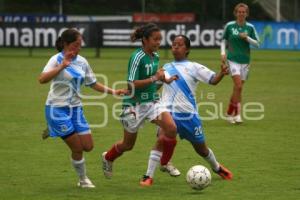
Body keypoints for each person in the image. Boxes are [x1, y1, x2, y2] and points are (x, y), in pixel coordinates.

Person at [38, 28, 127, 188]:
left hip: (76, 109)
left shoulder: (82, 62)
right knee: (77, 148)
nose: (78, 49)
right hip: (56, 109)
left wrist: (114, 91)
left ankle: (53, 129)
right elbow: (42, 79)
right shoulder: (56, 59)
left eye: (80, 45)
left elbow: (92, 83)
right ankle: (83, 180)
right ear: (65, 44)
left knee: (88, 146)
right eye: (75, 45)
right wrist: (61, 67)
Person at [142, 35, 233, 185]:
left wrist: (221, 74)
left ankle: (217, 168)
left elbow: (213, 80)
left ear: (187, 49)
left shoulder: (194, 67)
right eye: (173, 45)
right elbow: (155, 87)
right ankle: (148, 176)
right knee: (161, 140)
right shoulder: (164, 68)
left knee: (202, 149)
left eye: (179, 45)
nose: (175, 47)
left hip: (189, 115)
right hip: (167, 113)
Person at [101, 23, 178, 186]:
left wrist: (166, 80)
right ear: (145, 40)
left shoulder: (155, 57)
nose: (158, 43)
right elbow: (131, 84)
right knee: (128, 145)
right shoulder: (137, 57)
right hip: (133, 106)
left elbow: (154, 80)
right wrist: (155, 78)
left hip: (152, 102)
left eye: (160, 39)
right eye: (155, 39)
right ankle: (108, 157)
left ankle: (164, 164)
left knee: (171, 128)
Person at [221, 2, 260, 124]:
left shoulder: (250, 27)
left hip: (245, 61)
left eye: (244, 12)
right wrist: (223, 53)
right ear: (235, 13)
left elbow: (257, 44)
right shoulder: (230, 26)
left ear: (247, 14)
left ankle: (228, 113)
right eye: (239, 12)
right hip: (233, 60)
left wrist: (247, 38)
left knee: (238, 89)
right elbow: (223, 40)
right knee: (238, 86)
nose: (241, 14)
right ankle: (237, 115)